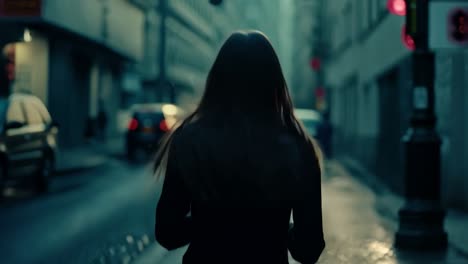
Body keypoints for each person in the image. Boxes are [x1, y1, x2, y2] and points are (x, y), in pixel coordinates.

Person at [153, 30, 325, 264]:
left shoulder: (190, 139)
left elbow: (168, 233)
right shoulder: (297, 144)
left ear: (216, 80)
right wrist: (273, 226)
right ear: (274, 81)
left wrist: (211, 222)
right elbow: (308, 248)